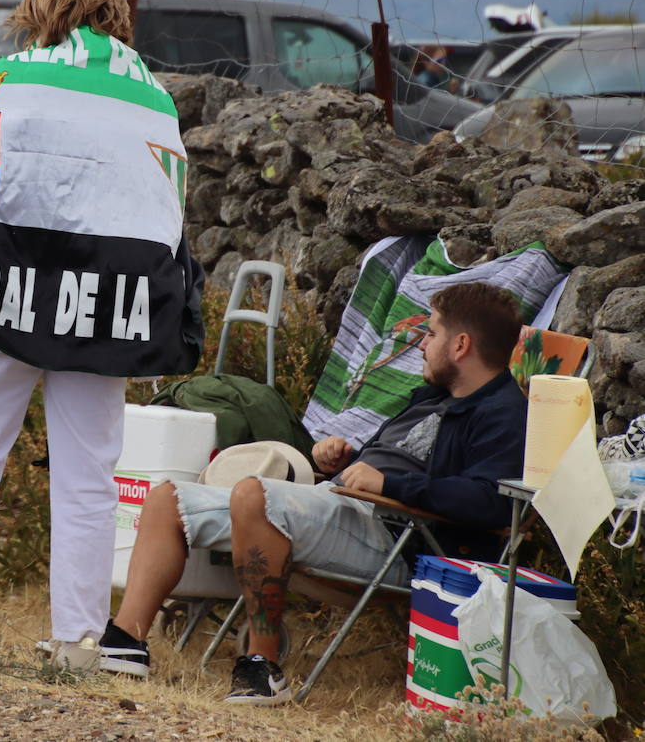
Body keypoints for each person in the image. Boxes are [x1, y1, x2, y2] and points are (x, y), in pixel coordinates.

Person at [0, 0, 205, 672]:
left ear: (39, 5)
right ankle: (79, 642)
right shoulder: (153, 96)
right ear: (112, 9)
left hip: (2, 291)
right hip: (107, 305)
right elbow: (165, 209)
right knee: (90, 471)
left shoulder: (11, 79)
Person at [97, 282, 527, 704]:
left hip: (399, 540)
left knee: (254, 496)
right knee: (168, 498)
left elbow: (492, 504)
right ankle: (125, 643)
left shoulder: (503, 414)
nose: (421, 347)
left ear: (461, 345)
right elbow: (401, 457)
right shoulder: (435, 397)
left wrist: (390, 485)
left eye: (431, 334)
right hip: (345, 506)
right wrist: (347, 461)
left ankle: (261, 668)